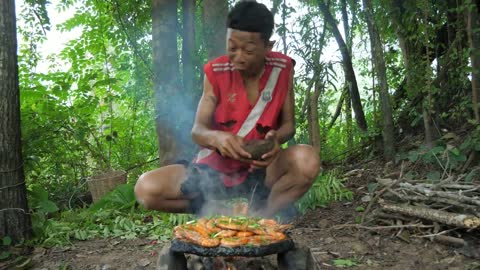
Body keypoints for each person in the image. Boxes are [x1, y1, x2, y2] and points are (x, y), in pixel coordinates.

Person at [135, 1, 321, 218]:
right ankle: (222, 214)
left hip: (262, 168)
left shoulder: (282, 69)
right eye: (232, 47)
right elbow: (198, 130)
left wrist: (275, 139)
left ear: (267, 47)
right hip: (213, 169)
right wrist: (217, 138)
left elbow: (289, 125)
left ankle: (261, 218)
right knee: (146, 189)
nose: (238, 57)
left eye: (248, 50)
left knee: (307, 160)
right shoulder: (216, 72)